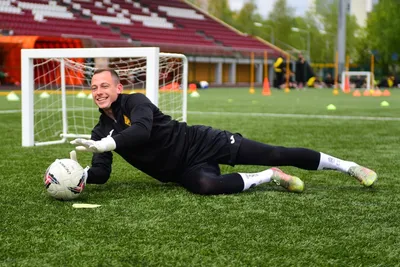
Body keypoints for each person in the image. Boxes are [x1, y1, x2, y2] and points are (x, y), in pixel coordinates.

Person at [70, 68, 377, 195]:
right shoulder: (100, 131)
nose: (99, 91)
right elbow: (103, 173)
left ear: (118, 87)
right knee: (206, 186)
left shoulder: (136, 102)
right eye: (94, 87)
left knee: (274, 151)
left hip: (203, 141)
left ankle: (349, 167)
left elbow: (141, 131)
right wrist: (81, 175)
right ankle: (270, 176)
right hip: (182, 170)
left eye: (104, 86)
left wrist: (106, 144)